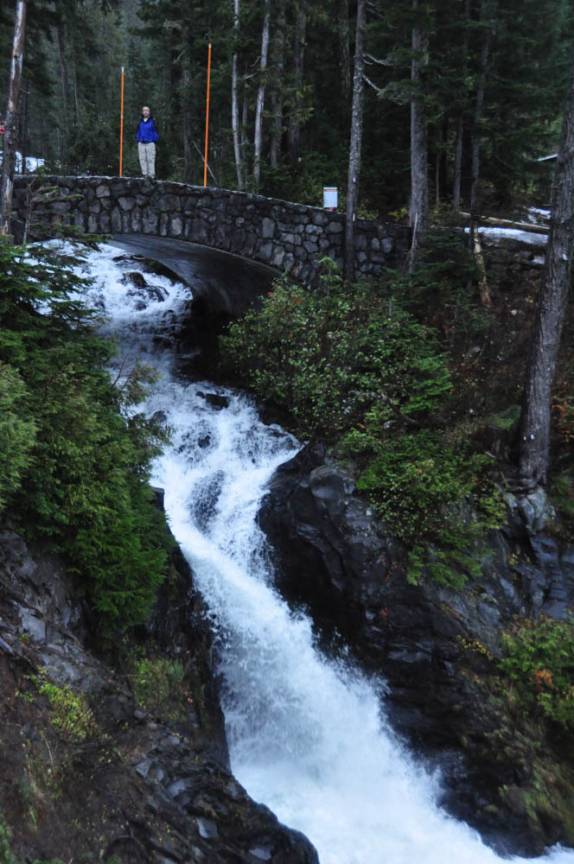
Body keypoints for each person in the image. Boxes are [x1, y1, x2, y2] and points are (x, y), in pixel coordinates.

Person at [136, 106, 159, 178]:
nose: (145, 112)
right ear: (142, 112)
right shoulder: (140, 121)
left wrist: (154, 139)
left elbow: (157, 131)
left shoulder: (153, 121)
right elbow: (137, 130)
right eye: (144, 110)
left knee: (150, 159)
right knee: (142, 159)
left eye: (147, 110)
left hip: (150, 143)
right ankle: (144, 174)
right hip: (141, 143)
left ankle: (151, 176)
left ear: (149, 112)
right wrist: (138, 138)